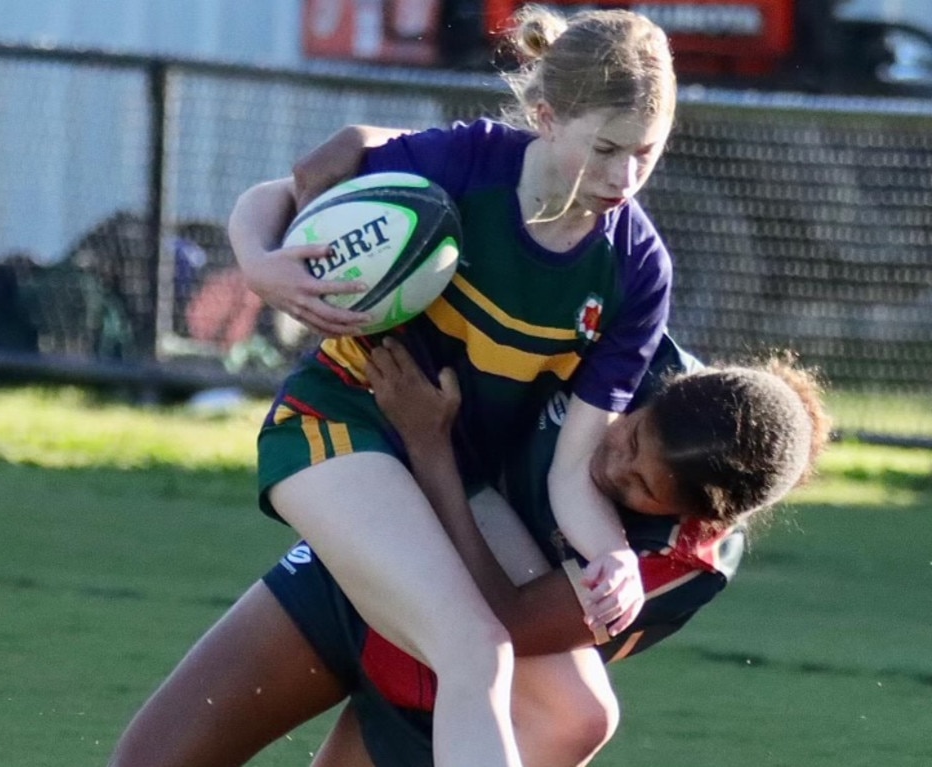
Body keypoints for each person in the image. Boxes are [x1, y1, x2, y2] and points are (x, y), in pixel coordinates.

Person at [226, 8, 678, 763]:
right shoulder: (464, 165)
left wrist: (613, 558)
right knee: (477, 650)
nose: (624, 178)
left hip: (457, 472)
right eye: (605, 149)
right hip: (340, 419)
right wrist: (256, 262)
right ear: (547, 117)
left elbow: (576, 468)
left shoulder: (636, 267)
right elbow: (282, 193)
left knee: (565, 703)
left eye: (646, 153)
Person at [107, 335, 830, 767]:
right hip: (368, 574)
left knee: (581, 710)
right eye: (631, 436)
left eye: (642, 487)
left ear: (698, 518)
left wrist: (430, 446)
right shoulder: (630, 346)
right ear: (662, 391)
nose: (614, 467)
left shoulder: (686, 558)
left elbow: (504, 621)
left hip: (446, 684)